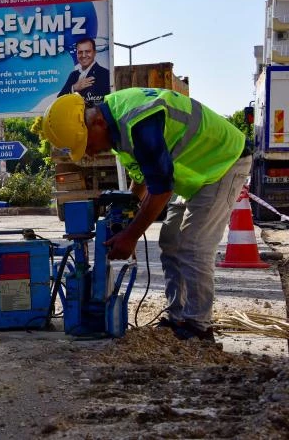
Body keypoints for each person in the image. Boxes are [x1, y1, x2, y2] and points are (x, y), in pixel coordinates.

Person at [42, 88, 251, 342]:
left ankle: (199, 327)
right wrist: (126, 214)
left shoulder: (139, 121)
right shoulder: (116, 123)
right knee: (171, 242)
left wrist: (131, 235)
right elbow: (142, 177)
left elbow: (161, 188)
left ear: (96, 122)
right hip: (198, 170)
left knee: (193, 245)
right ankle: (178, 319)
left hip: (223, 162)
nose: (89, 153)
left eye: (86, 144)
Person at [57, 37, 111, 105]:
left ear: (94, 53)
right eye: (80, 52)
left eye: (87, 51)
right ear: (76, 54)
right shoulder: (73, 75)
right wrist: (74, 88)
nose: (83, 55)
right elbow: (59, 100)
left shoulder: (105, 74)